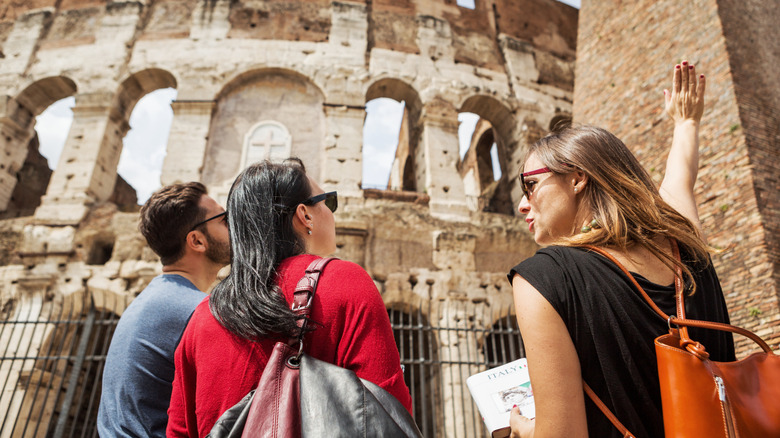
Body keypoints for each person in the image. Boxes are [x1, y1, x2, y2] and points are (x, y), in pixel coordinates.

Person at [507, 62, 736, 438]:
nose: (522, 204)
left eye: (529, 185)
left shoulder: (542, 279)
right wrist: (686, 122)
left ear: (578, 177)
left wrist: (524, 430)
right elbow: (682, 175)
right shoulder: (685, 243)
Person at [167, 159, 413, 437]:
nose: (332, 213)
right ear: (305, 215)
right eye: (328, 202)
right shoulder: (345, 282)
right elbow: (389, 412)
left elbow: (179, 429)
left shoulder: (203, 315)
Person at [97, 182, 230, 438]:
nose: (233, 226)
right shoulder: (197, 311)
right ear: (197, 241)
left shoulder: (149, 300)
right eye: (224, 219)